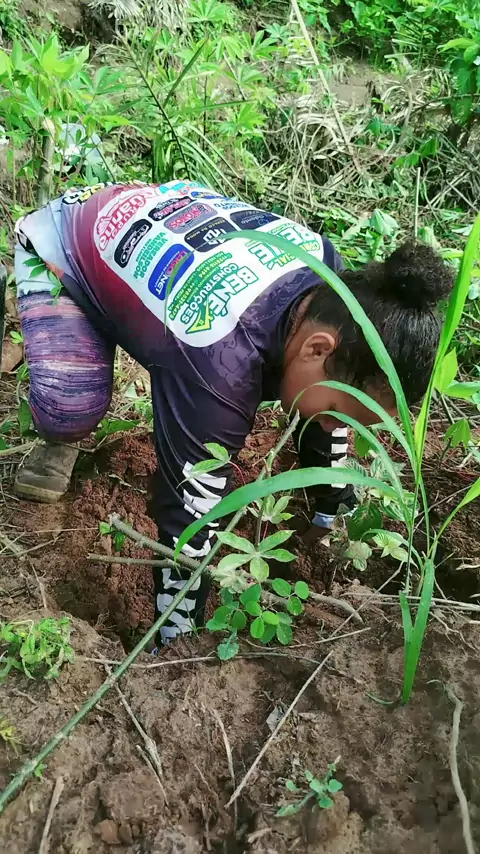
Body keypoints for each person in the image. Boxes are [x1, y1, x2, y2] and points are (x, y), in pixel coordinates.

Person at [12, 180, 452, 644]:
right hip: (64, 243)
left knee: (312, 404)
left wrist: (332, 512)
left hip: (162, 228)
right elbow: (189, 514)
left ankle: (124, 319)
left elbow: (326, 411)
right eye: (337, 413)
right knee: (70, 408)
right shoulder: (218, 359)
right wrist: (179, 639)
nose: (333, 426)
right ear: (317, 348)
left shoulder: (345, 296)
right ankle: (62, 413)